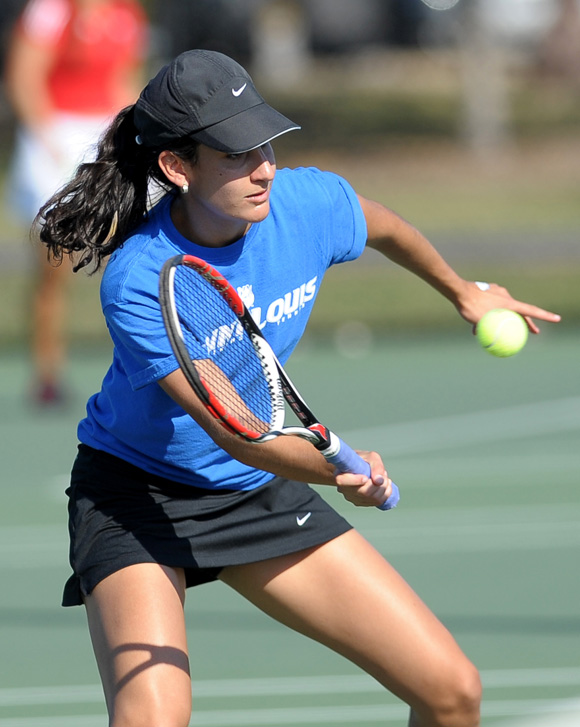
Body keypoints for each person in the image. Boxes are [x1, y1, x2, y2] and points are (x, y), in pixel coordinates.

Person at [36, 50, 561, 727]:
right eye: (233, 154)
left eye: (264, 143)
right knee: (152, 716)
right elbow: (237, 427)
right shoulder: (142, 278)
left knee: (451, 690)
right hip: (137, 494)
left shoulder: (306, 204)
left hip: (250, 490)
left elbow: (387, 228)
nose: (262, 168)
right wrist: (339, 468)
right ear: (177, 166)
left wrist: (463, 291)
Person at [3, 0, 148, 405]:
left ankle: (151, 366)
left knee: (142, 248)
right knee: (55, 262)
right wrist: (49, 144)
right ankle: (47, 371)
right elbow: (23, 77)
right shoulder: (50, 10)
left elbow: (124, 81)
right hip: (54, 133)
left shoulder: (127, 13)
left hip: (102, 132)